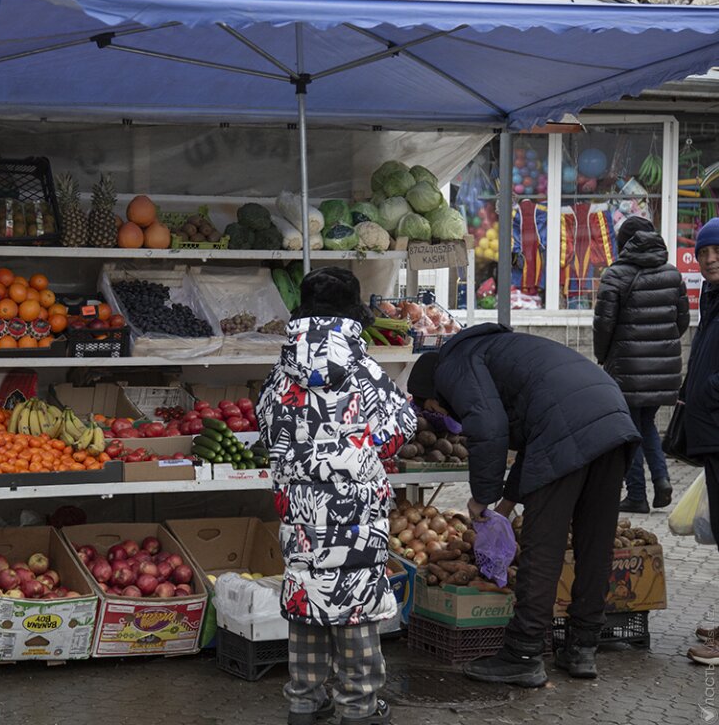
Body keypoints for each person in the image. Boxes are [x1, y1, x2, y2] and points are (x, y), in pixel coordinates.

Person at [406, 325, 639, 686]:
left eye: (430, 408)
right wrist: (506, 503)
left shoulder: (452, 364)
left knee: (541, 546)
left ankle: (523, 653)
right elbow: (530, 440)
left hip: (568, 423)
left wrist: (481, 498)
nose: (437, 415)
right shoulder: (497, 350)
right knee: (595, 542)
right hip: (612, 415)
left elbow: (489, 426)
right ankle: (582, 646)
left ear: (431, 392)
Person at [256, 267, 417, 725]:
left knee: (307, 600)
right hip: (356, 517)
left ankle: (304, 704)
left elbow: (268, 430)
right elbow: (398, 429)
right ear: (353, 315)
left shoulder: (281, 374)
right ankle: (359, 708)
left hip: (300, 517)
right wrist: (356, 451)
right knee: (355, 607)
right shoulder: (365, 371)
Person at [593, 216, 690, 513]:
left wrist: (602, 356)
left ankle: (637, 495)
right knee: (646, 424)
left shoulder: (615, 275)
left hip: (626, 368)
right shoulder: (673, 275)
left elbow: (603, 324)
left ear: (624, 243)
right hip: (663, 369)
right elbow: (682, 321)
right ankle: (661, 480)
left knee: (629, 430)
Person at [682, 217, 719, 666]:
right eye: (702, 253)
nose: (709, 259)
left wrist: (708, 390)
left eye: (717, 252)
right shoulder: (712, 299)